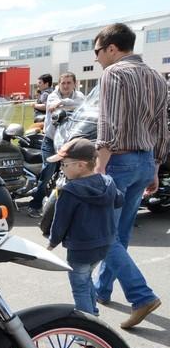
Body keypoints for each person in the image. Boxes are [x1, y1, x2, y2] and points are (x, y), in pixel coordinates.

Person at [92, 22, 168, 329]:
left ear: (112, 48)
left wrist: (99, 166)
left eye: (98, 51)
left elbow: (108, 122)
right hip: (145, 160)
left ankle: (141, 295)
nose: (96, 58)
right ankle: (102, 289)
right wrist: (156, 166)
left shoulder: (114, 73)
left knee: (102, 234)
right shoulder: (157, 77)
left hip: (119, 161)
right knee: (120, 233)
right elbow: (162, 128)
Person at [47, 139, 121, 315]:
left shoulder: (69, 191)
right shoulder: (108, 182)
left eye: (64, 164)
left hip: (80, 249)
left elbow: (60, 221)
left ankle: (86, 325)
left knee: (79, 286)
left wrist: (52, 243)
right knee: (86, 279)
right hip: (104, 243)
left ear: (80, 165)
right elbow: (119, 200)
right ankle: (93, 313)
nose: (61, 168)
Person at [27, 72, 85, 218]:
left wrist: (61, 103)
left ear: (74, 84)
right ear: (58, 84)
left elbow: (80, 104)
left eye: (69, 83)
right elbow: (55, 108)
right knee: (47, 172)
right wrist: (62, 104)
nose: (65, 86)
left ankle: (72, 208)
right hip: (51, 141)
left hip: (70, 142)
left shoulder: (79, 96)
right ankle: (35, 205)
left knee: (75, 174)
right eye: (63, 83)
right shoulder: (52, 96)